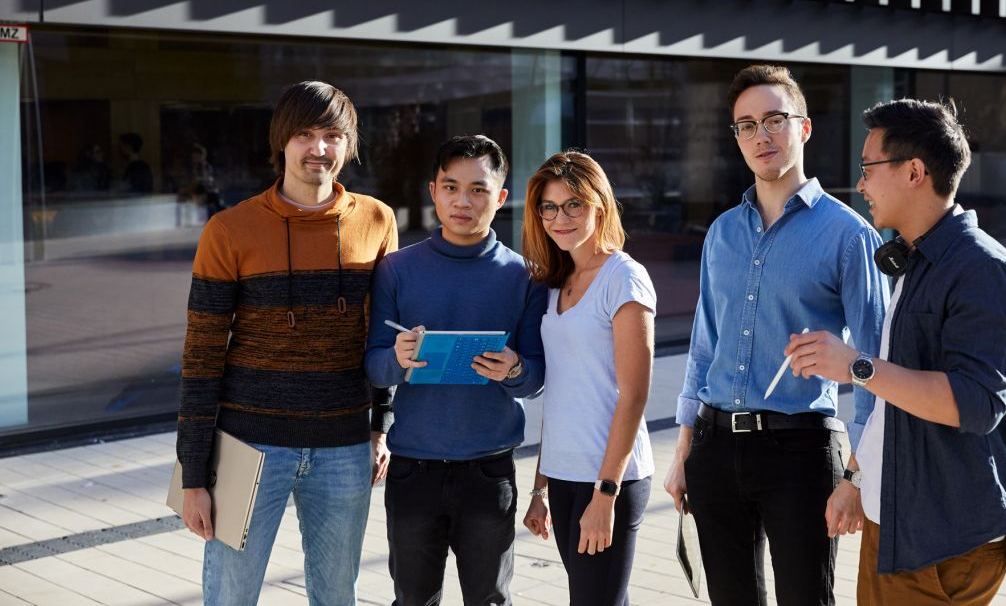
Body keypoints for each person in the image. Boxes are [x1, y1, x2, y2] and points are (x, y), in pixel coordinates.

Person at [784, 98, 1006, 605]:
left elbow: (974, 403)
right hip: (898, 520)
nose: (859, 184)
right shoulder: (916, 261)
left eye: (867, 169)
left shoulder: (983, 270)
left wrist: (854, 365)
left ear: (914, 172)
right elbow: (893, 397)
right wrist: (856, 479)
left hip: (945, 537)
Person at [664, 64, 888, 606]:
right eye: (745, 125)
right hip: (715, 450)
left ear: (803, 128)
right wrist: (684, 449)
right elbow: (704, 345)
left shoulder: (848, 234)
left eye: (773, 120)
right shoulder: (720, 233)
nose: (760, 136)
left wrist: (856, 478)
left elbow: (879, 361)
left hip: (800, 452)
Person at [177, 81, 398, 605]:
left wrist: (378, 428)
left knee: (336, 595)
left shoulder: (376, 220)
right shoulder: (230, 229)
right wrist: (193, 474)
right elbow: (202, 355)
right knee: (231, 595)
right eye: (305, 134)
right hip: (247, 445)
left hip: (344, 445)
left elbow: (383, 332)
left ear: (348, 145)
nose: (318, 149)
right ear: (282, 141)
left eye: (331, 135)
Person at [364, 134, 546, 606]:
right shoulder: (396, 270)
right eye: (451, 187)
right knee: (413, 600)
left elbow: (537, 375)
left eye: (478, 189)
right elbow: (374, 367)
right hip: (413, 470)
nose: (462, 201)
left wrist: (513, 370)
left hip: (489, 470)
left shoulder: (523, 275)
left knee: (489, 599)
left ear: (502, 197)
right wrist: (398, 360)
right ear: (433, 191)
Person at [519, 151, 656, 606]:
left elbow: (635, 396)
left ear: (600, 204)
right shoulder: (556, 282)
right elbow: (561, 393)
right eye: (550, 207)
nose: (561, 218)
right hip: (562, 475)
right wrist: (539, 488)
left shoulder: (624, 277)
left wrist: (606, 494)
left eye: (574, 204)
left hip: (609, 478)